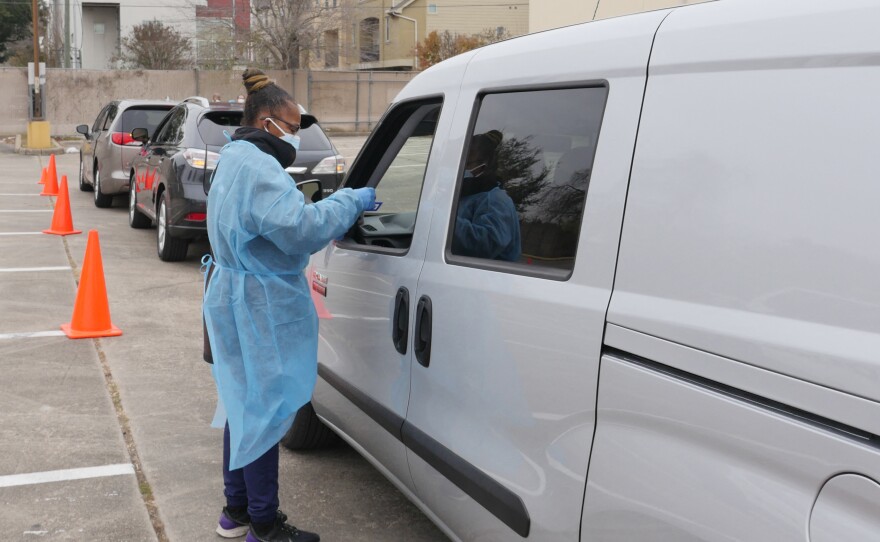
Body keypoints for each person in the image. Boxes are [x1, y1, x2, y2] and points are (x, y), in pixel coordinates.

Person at [203, 68, 375, 542]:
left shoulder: (233, 157)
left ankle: (235, 512)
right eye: (293, 128)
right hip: (260, 303)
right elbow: (299, 228)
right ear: (268, 123)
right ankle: (264, 525)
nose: (296, 137)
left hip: (232, 294)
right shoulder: (260, 168)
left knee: (242, 405)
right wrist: (350, 203)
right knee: (263, 411)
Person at [451, 129, 522, 261]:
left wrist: (443, 221)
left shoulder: (495, 200)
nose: (459, 169)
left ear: (484, 166)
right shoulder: (466, 194)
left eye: (466, 164)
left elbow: (486, 245)